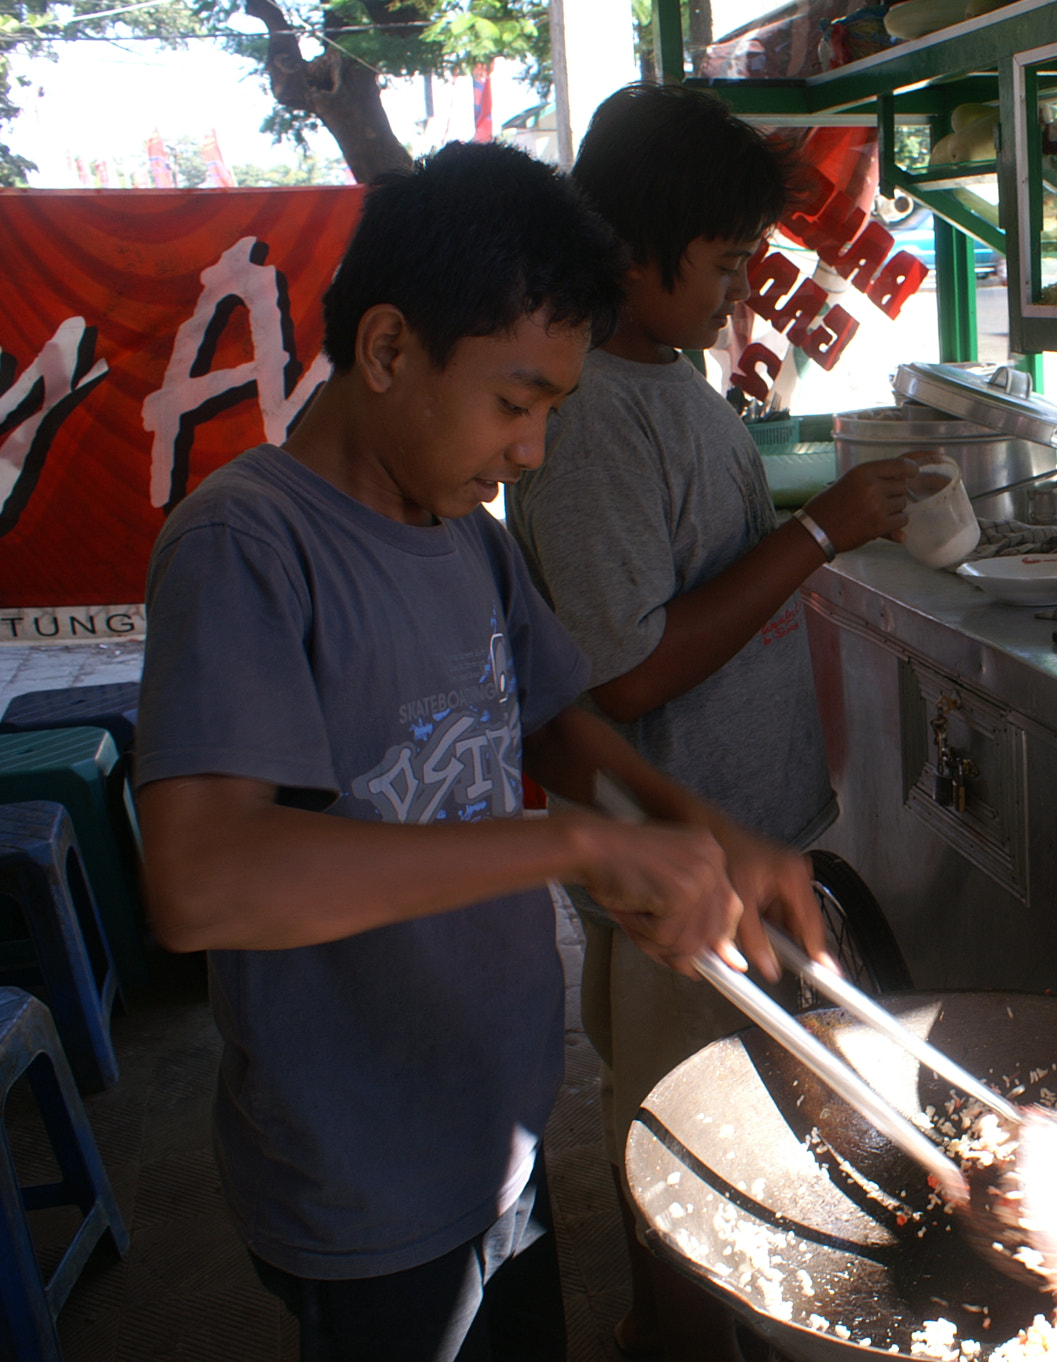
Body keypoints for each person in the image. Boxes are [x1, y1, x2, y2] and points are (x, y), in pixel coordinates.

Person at [132, 140, 825, 1362]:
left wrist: (703, 832)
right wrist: (563, 840)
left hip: (494, 1124)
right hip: (363, 1168)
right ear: (391, 349)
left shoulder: (465, 537)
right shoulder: (246, 546)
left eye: (551, 410)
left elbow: (561, 725)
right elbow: (200, 881)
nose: (532, 453)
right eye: (515, 403)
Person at [504, 83, 914, 1361]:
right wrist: (816, 532)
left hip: (735, 833)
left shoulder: (664, 371)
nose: (742, 287)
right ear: (636, 247)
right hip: (669, 873)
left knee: (742, 1135)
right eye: (726, 262)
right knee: (682, 1152)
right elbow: (621, 674)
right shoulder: (585, 422)